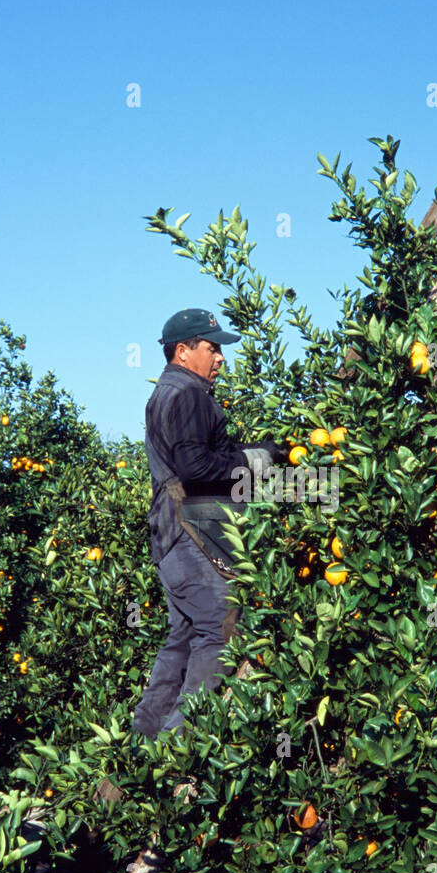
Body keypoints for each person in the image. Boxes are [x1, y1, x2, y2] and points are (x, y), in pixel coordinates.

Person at [130, 308, 285, 746]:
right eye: (212, 347)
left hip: (171, 535)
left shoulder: (168, 393)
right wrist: (255, 462)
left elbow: (193, 455)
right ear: (183, 351)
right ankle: (179, 749)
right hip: (191, 530)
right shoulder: (188, 394)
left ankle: (140, 755)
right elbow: (195, 466)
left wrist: (256, 452)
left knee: (182, 640)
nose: (220, 358)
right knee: (219, 630)